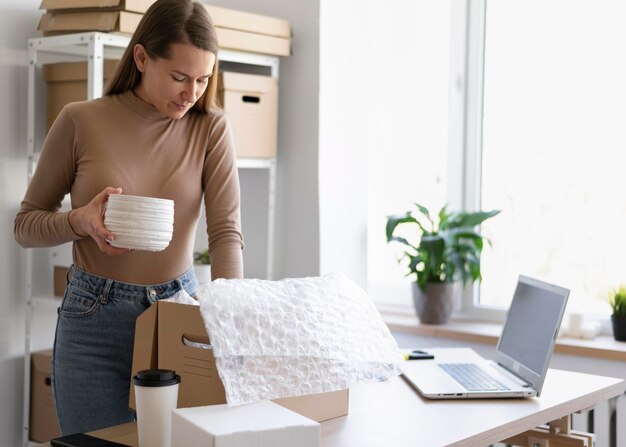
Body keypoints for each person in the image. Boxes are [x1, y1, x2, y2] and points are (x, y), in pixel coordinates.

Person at [14, 0, 244, 436]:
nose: (190, 92)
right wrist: (79, 220)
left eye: (202, 79)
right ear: (141, 58)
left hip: (178, 315)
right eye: (178, 76)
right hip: (92, 321)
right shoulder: (80, 120)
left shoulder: (210, 128)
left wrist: (228, 318)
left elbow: (226, 233)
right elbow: (25, 226)